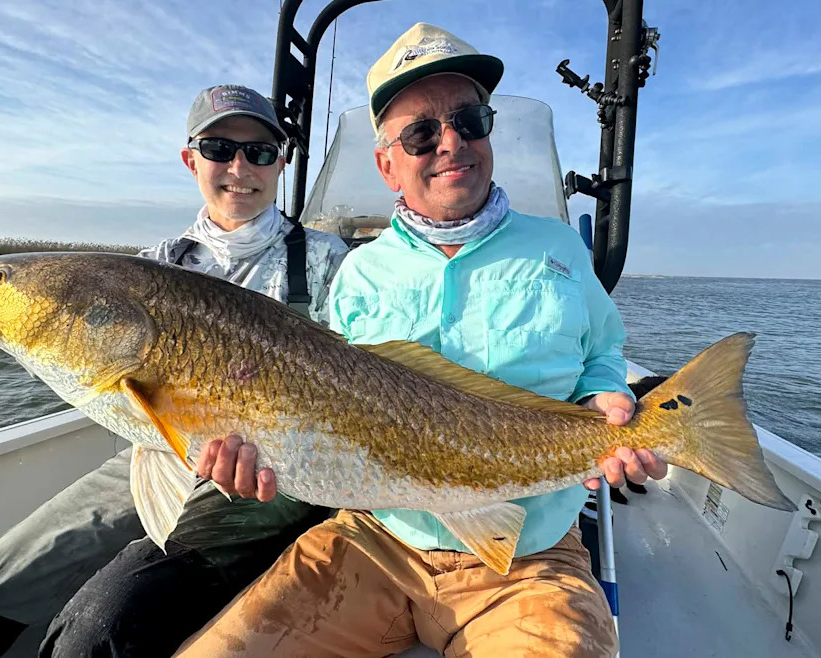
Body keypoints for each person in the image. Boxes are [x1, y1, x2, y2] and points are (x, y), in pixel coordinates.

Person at [177, 24, 668, 658]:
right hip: (375, 539)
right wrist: (248, 455)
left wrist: (607, 396)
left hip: (530, 555)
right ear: (387, 163)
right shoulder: (358, 273)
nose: (452, 143)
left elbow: (603, 351)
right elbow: (315, 402)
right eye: (421, 134)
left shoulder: (558, 249)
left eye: (470, 120)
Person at [0, 84, 347, 658]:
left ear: (281, 164)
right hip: (152, 451)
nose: (240, 167)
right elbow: (95, 365)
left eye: (260, 152)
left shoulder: (333, 259)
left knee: (94, 632)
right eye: (219, 148)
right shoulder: (155, 262)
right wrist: (9, 320)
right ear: (191, 160)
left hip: (267, 472)